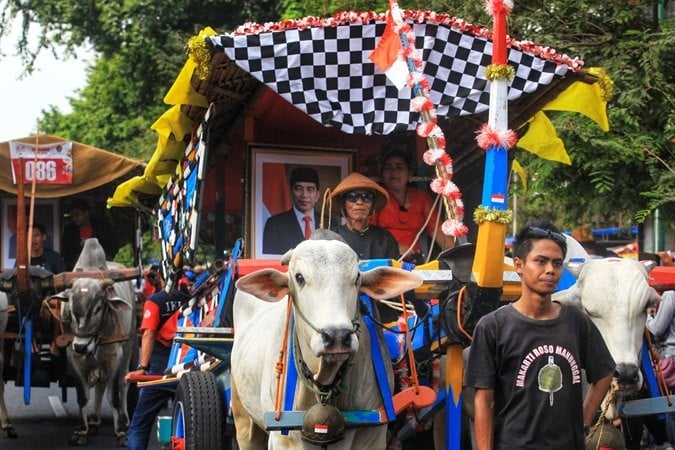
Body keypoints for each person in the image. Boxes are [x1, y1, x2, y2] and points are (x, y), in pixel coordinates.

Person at [465, 220, 615, 449]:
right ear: (519, 265)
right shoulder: (493, 327)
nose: (550, 270)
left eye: (556, 263)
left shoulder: (576, 322)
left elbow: (604, 372)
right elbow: (483, 401)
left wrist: (584, 419)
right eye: (540, 261)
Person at [125, 269, 196, 450]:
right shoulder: (197, 296)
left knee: (139, 424)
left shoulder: (155, 301)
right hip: (192, 361)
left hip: (162, 365)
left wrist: (142, 367)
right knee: (194, 423)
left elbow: (149, 334)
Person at [371, 148, 451, 262]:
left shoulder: (421, 198)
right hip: (383, 261)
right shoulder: (377, 197)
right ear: (382, 174)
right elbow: (368, 233)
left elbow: (438, 231)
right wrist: (395, 247)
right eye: (388, 168)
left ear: (409, 174)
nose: (394, 172)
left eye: (399, 167)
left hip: (414, 262)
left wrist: (456, 256)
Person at [328, 172, 399, 260]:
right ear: (343, 204)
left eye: (367, 197)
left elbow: (394, 271)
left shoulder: (385, 239)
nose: (360, 202)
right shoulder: (331, 238)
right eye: (352, 197)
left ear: (372, 205)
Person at [263, 167, 321, 255]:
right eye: (298, 189)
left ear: (317, 195)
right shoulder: (274, 224)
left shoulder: (330, 223)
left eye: (310, 189)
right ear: (290, 192)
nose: (304, 195)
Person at [646, 290, 675, 446]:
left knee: (670, 408)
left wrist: (647, 316)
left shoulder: (670, 295)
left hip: (670, 357)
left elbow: (656, 328)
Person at [61, 198, 119, 270]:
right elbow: (66, 253)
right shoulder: (69, 231)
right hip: (77, 269)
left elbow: (112, 247)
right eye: (72, 216)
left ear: (86, 213)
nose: (74, 218)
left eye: (77, 215)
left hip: (101, 268)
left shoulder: (102, 227)